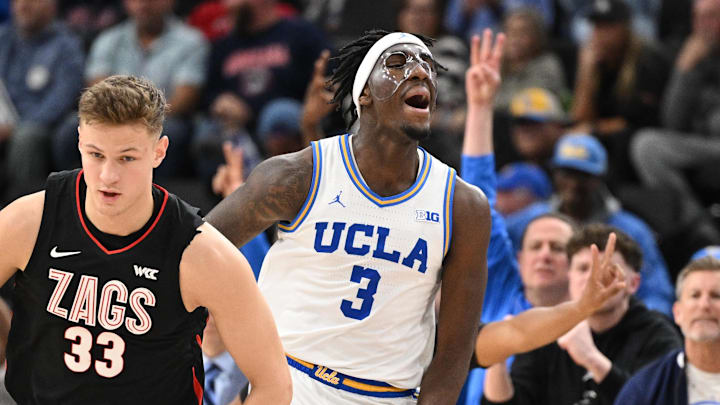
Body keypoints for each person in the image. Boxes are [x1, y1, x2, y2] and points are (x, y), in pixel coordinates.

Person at [206, 30, 494, 404]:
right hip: (292, 384)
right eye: (398, 63)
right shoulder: (296, 176)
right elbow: (197, 251)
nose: (421, 72)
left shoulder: (463, 207)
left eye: (428, 66)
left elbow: (454, 354)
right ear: (364, 95)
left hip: (390, 395)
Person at [0, 75, 291, 404]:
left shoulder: (200, 253)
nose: (109, 175)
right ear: (79, 141)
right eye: (96, 155)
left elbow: (274, 384)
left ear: (159, 151)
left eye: (127, 158)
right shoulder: (29, 221)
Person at [482, 223, 682, 405]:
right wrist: (497, 363)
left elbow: (658, 401)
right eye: (583, 268)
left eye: (608, 271)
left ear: (634, 283)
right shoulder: (549, 329)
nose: (593, 279)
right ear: (569, 277)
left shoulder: (658, 336)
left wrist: (592, 359)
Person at [505, 133, 675, 315]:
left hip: (608, 325)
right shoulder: (532, 220)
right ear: (554, 175)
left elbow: (658, 296)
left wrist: (628, 323)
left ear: (599, 178)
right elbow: (492, 250)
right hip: (537, 319)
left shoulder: (631, 230)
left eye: (582, 175)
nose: (573, 183)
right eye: (566, 173)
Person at [53, 0, 209, 179]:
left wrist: (138, 121)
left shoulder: (191, 41)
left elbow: (184, 98)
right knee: (70, 129)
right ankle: (79, 193)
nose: (144, 3)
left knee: (169, 134)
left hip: (163, 119)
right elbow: (97, 91)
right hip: (110, 115)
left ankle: (157, 199)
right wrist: (123, 119)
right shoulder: (109, 39)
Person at [631, 0, 720, 245]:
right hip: (704, 148)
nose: (702, 24)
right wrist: (685, 69)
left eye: (711, 16)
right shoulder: (690, 54)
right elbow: (673, 123)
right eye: (697, 16)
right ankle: (699, 226)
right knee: (647, 145)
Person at [0, 0, 84, 201]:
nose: (23, 6)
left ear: (52, 5)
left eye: (31, 0)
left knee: (26, 138)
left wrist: (14, 127)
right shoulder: (3, 38)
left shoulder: (66, 45)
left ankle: (20, 210)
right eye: (17, 1)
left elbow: (62, 98)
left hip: (43, 126)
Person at [614, 255, 720, 404]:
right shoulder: (644, 387)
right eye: (695, 295)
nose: (704, 305)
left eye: (716, 296)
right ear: (677, 313)